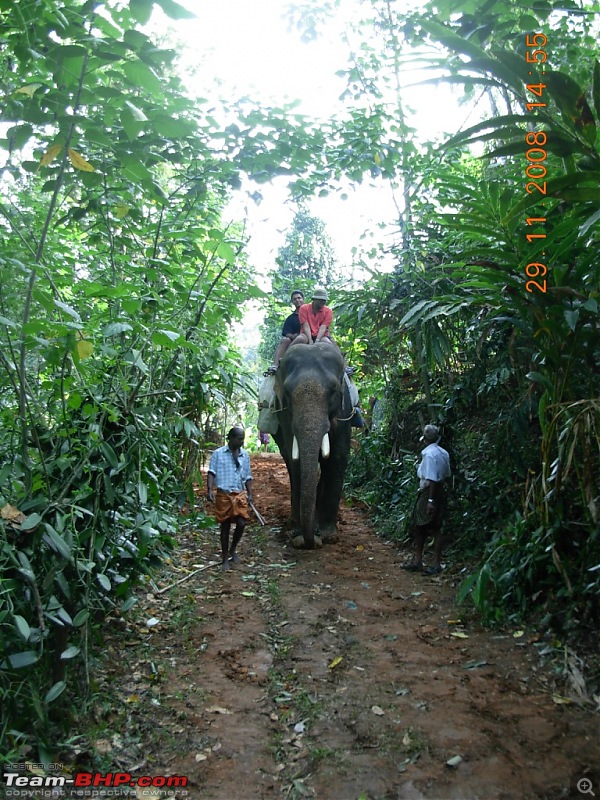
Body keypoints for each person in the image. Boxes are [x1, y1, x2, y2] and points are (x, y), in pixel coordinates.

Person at [403, 424, 451, 575]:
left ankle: (426, 562)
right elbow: (446, 474)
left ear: (425, 439)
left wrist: (430, 500)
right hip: (440, 491)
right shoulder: (443, 452)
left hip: (429, 492)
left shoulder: (429, 455)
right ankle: (424, 562)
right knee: (432, 526)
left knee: (425, 527)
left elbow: (432, 479)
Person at [207, 426, 253, 571]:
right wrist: (209, 489)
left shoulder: (245, 455)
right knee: (225, 526)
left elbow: (248, 476)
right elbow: (211, 472)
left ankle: (233, 549)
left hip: (239, 495)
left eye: (243, 438)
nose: (241, 441)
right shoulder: (218, 454)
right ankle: (224, 557)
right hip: (224, 495)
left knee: (241, 523)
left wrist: (250, 493)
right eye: (239, 438)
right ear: (231, 438)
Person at [265, 289, 304, 374]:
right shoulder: (291, 318)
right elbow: (286, 332)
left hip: (311, 337)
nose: (297, 300)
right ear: (292, 302)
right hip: (295, 339)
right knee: (285, 340)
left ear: (303, 299)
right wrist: (292, 336)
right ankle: (275, 365)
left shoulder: (311, 314)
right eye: (295, 299)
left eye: (299, 298)